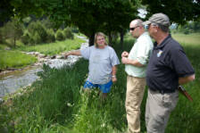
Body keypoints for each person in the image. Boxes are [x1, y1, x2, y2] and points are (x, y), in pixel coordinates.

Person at [143, 13, 195, 133]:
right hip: (152, 94)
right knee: (149, 124)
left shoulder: (173, 48)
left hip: (162, 97)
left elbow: (190, 76)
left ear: (156, 28)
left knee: (155, 130)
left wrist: (171, 82)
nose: (147, 29)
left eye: (148, 26)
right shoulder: (158, 45)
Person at [65, 32, 120, 98]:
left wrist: (113, 76)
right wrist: (69, 53)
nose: (101, 41)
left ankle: (100, 107)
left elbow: (115, 64)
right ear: (96, 41)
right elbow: (80, 52)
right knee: (85, 93)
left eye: (102, 39)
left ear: (105, 39)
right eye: (99, 39)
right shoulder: (91, 49)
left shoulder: (110, 50)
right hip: (92, 78)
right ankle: (87, 106)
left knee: (102, 98)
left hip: (105, 79)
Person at [121, 19, 153, 133]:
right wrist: (129, 56)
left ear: (140, 27)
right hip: (135, 78)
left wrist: (126, 61)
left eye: (132, 29)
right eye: (129, 29)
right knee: (131, 105)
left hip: (137, 79)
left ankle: (134, 131)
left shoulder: (144, 41)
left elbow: (141, 62)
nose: (130, 31)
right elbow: (139, 58)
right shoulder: (141, 40)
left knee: (132, 107)